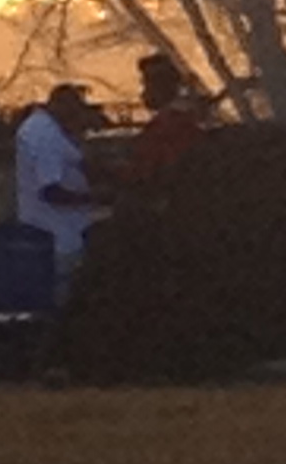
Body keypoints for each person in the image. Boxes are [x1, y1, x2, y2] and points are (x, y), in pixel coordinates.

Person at [13, 82, 103, 287]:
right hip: (56, 236)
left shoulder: (46, 129)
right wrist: (95, 197)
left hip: (58, 232)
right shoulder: (45, 135)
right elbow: (51, 191)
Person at [119, 51, 219, 184]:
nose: (143, 92)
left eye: (146, 83)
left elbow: (153, 169)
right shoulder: (180, 120)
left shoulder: (174, 124)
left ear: (160, 86)